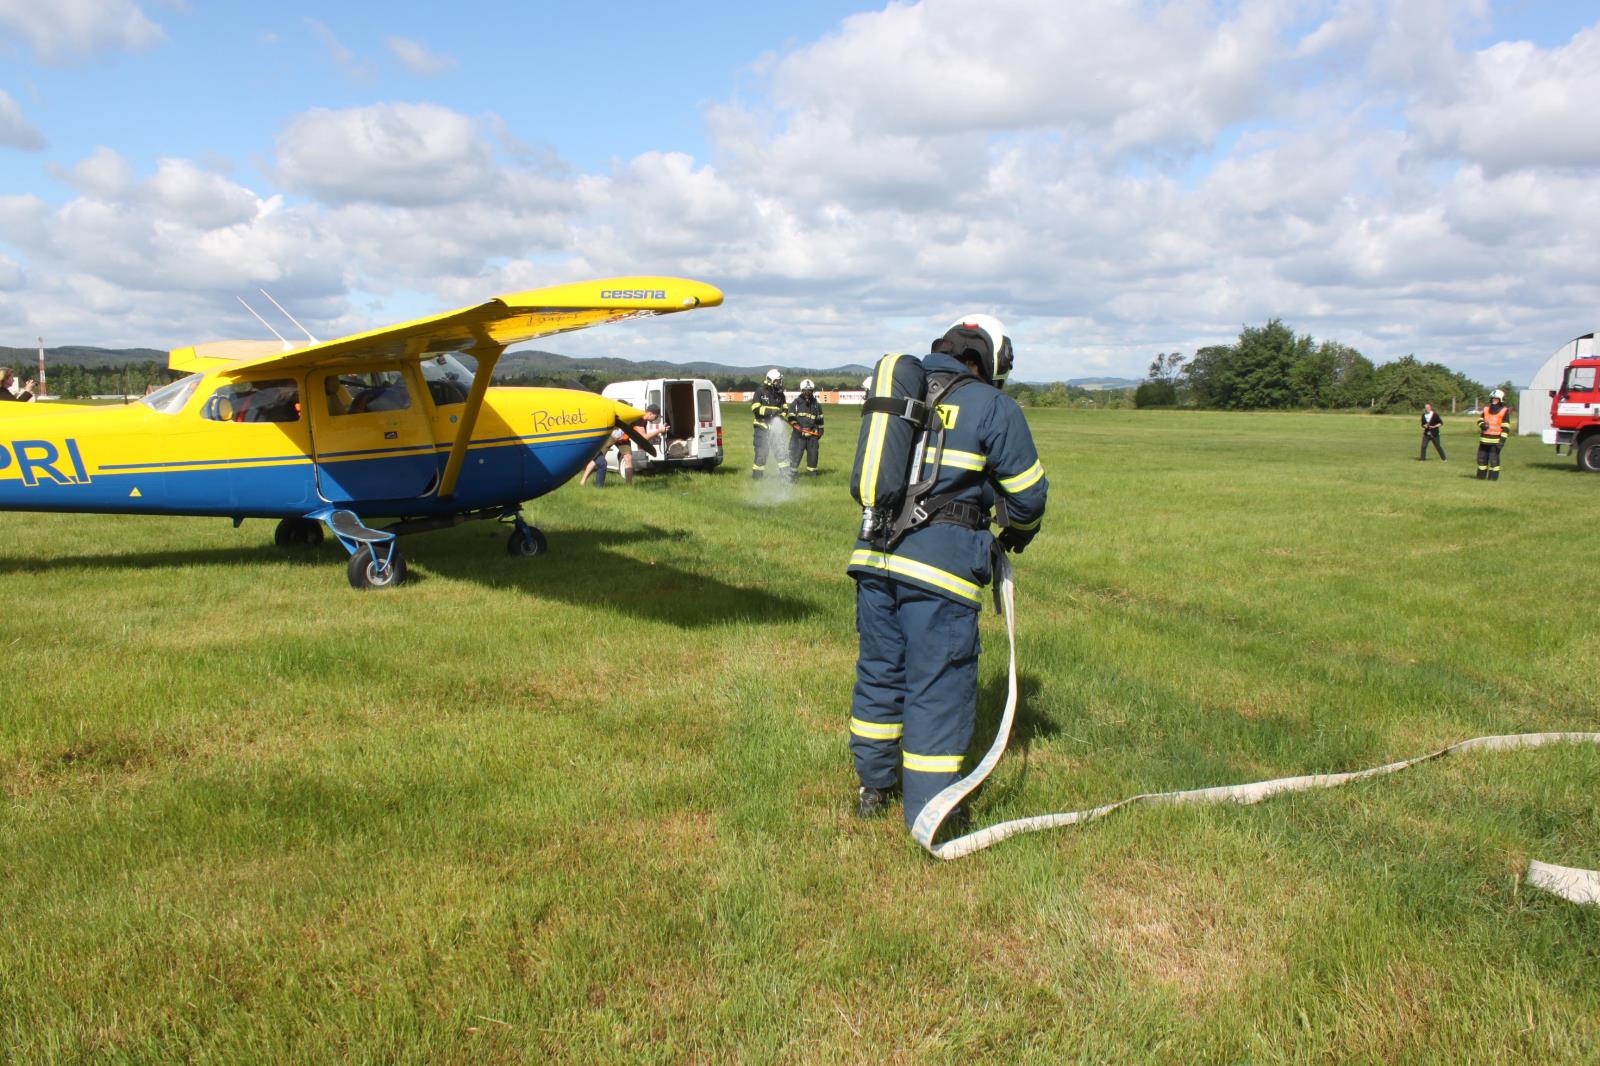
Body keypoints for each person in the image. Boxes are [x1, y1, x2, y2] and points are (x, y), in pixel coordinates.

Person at [847, 315, 1048, 829]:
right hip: (940, 573)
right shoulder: (993, 406)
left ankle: (874, 787)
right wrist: (1015, 535)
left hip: (874, 556)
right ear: (989, 360)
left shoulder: (907, 392)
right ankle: (932, 813)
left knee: (880, 672)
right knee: (937, 686)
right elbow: (1027, 498)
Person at [580, 403, 667, 486]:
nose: (656, 419)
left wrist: (658, 434)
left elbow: (642, 439)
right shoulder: (639, 419)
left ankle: (629, 485)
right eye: (656, 416)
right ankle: (583, 481)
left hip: (624, 438)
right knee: (599, 457)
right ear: (651, 413)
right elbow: (644, 438)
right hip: (613, 435)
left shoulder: (644, 421)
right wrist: (659, 430)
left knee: (628, 458)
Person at [750, 368, 792, 480]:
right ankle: (757, 479)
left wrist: (781, 416)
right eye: (778, 381)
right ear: (770, 380)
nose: (780, 383)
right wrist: (773, 411)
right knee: (761, 456)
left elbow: (785, 409)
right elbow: (755, 409)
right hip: (762, 428)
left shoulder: (780, 394)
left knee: (781, 453)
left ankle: (786, 478)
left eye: (780, 381)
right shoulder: (760, 391)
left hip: (775, 429)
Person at [787, 378, 824, 476]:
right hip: (798, 436)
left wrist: (820, 431)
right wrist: (796, 425)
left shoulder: (816, 404)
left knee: (813, 457)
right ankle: (791, 475)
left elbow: (820, 419)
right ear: (802, 390)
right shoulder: (795, 403)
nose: (808, 392)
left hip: (812, 436)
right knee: (795, 456)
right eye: (806, 390)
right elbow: (791, 417)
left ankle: (812, 475)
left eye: (810, 391)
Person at [1476, 389, 1513, 480]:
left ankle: (1492, 479)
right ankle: (1480, 478)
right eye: (1492, 399)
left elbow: (1506, 427)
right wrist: (1482, 425)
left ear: (1501, 400)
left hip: (1496, 442)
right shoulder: (1486, 409)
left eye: (1496, 399)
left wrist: (1502, 441)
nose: (1494, 401)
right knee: (1481, 460)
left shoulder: (1504, 411)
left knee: (1493, 461)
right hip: (1484, 441)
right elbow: (1479, 420)